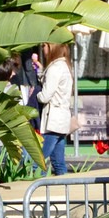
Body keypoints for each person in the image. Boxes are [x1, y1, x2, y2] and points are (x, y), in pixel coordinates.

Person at [36, 43, 75, 176]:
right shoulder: (65, 66)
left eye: (45, 46)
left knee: (40, 159)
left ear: (53, 48)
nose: (43, 49)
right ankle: (64, 190)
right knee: (58, 161)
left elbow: (45, 96)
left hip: (53, 119)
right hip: (62, 117)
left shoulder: (55, 68)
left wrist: (36, 94)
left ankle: (33, 187)